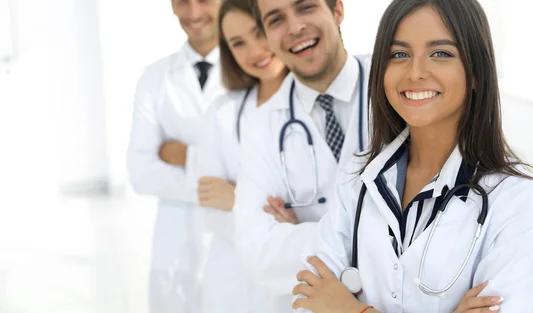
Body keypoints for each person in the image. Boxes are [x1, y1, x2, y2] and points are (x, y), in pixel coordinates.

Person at [292, 0, 533, 312]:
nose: (416, 73)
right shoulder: (358, 176)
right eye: (399, 54)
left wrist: (351, 308)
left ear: (476, 74)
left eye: (441, 53)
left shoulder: (519, 200)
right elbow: (308, 299)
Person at [232, 0, 370, 311]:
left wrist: (298, 235)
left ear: (338, 10)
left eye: (306, 7)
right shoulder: (261, 124)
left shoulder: (394, 85)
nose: (295, 28)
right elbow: (257, 252)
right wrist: (379, 240)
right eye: (276, 19)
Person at [184, 0, 288, 311]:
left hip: (294, 280)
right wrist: (271, 217)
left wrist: (238, 200)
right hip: (230, 278)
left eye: (259, 33)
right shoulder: (221, 112)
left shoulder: (318, 105)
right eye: (238, 43)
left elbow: (321, 215)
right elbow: (209, 200)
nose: (255, 50)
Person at [126, 0, 223, 312]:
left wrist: (185, 156)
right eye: (182, 1)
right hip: (175, 245)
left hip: (235, 244)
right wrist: (222, 184)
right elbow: (141, 173)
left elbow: (257, 165)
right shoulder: (154, 77)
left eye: (205, 0)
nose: (193, 13)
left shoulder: (256, 70)